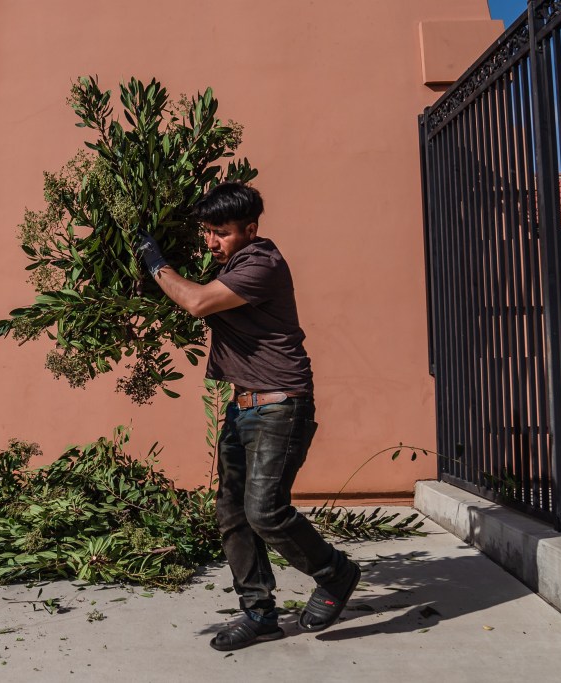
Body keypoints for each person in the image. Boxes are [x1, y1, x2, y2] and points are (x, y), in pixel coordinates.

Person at [137, 181, 360, 651]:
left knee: (265, 511)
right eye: (206, 232)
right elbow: (191, 296)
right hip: (244, 406)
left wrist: (156, 262)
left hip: (282, 404)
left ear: (250, 229)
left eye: (220, 232)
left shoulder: (262, 263)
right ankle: (258, 613)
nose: (211, 242)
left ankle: (335, 574)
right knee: (232, 512)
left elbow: (195, 301)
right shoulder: (230, 264)